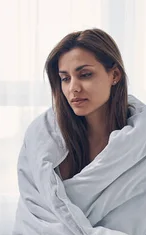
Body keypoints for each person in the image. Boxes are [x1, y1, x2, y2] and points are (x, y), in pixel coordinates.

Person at [44, 28, 130, 180]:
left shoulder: (145, 143)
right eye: (65, 78)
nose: (73, 88)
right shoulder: (47, 140)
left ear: (115, 75)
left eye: (85, 75)